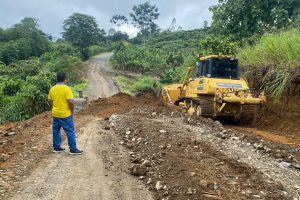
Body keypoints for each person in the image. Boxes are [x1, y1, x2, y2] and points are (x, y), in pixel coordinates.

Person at [48, 72, 83, 155]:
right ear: (65, 80)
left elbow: (49, 100)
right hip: (65, 114)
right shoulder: (67, 89)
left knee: (56, 130)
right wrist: (72, 110)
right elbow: (70, 101)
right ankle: (73, 149)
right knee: (70, 131)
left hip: (55, 113)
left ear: (57, 79)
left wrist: (54, 107)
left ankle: (57, 148)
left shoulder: (52, 89)